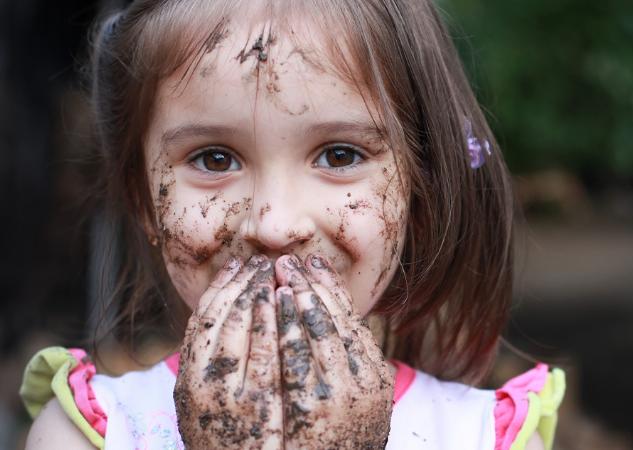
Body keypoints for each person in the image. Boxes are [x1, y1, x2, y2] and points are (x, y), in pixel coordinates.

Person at [20, 0, 565, 448]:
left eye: (339, 155)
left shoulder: (478, 437)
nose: (274, 225)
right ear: (145, 200)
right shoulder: (84, 435)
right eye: (214, 159)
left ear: (417, 192)